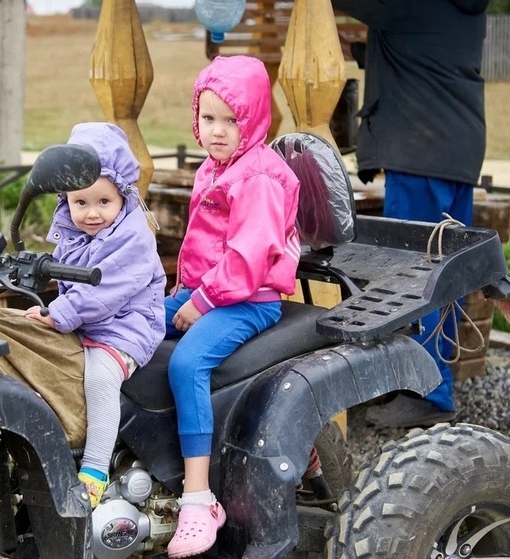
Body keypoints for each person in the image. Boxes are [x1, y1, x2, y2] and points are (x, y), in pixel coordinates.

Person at [164, 55, 301, 559]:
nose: (217, 131)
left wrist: (201, 301)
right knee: (129, 324)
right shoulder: (218, 165)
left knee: (186, 363)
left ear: (255, 119)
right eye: (208, 118)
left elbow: (248, 259)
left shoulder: (258, 177)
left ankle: (199, 500)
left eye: (231, 120)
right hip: (207, 292)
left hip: (248, 299)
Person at [332, 0, 489, 428]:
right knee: (447, 270)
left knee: (416, 276)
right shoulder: (461, 6)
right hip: (456, 150)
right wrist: (366, 50)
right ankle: (435, 384)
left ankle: (429, 395)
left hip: (421, 152)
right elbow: (425, 46)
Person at [24, 122, 166, 508]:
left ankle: (94, 470)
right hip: (87, 321)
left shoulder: (134, 236)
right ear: (64, 198)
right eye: (80, 202)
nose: (90, 213)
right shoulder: (71, 229)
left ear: (122, 194)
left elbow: (106, 290)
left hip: (126, 327)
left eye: (103, 202)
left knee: (100, 379)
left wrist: (61, 314)